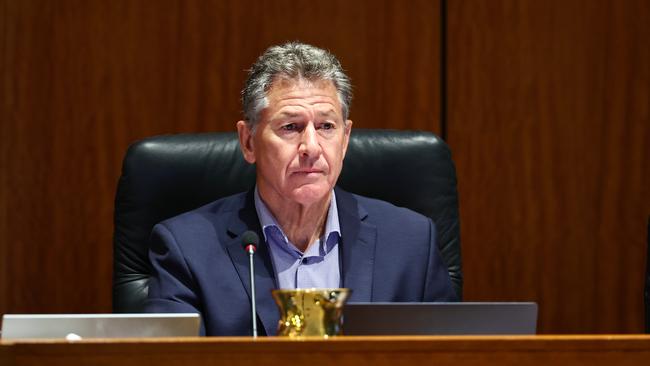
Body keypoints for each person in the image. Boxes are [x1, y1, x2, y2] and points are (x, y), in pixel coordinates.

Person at [145, 42, 457, 336]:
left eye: (326, 127)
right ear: (248, 142)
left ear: (345, 139)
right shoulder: (186, 248)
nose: (311, 147)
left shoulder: (411, 243)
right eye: (291, 127)